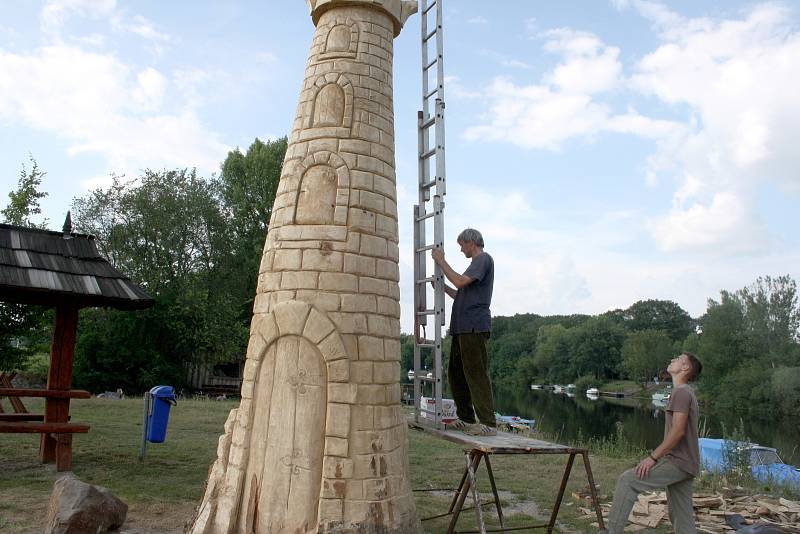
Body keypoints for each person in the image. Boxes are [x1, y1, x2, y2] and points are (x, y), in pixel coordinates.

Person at [606, 352, 703, 533]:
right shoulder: (686, 392)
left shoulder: (681, 392)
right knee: (682, 519)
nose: (672, 359)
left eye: (678, 359)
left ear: (685, 368)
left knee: (628, 481)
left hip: (677, 462)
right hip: (688, 464)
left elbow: (678, 431)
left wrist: (652, 458)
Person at [431, 228, 496, 436]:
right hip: (461, 328)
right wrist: (441, 288)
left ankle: (488, 423)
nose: (461, 249)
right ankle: (467, 419)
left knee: (475, 374)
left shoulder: (483, 259)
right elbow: (459, 293)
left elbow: (459, 281)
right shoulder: (473, 266)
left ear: (471, 242)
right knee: (456, 374)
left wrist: (441, 261)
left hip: (474, 326)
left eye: (462, 245)